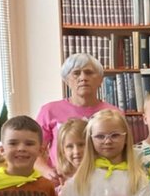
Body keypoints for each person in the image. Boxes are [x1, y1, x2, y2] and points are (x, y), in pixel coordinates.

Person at [34, 53, 119, 181]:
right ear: (67, 80)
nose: (83, 78)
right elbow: (33, 150)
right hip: (61, 182)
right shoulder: (49, 111)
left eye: (89, 72)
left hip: (103, 182)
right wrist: (47, 171)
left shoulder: (114, 113)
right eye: (76, 73)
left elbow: (122, 152)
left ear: (100, 79)